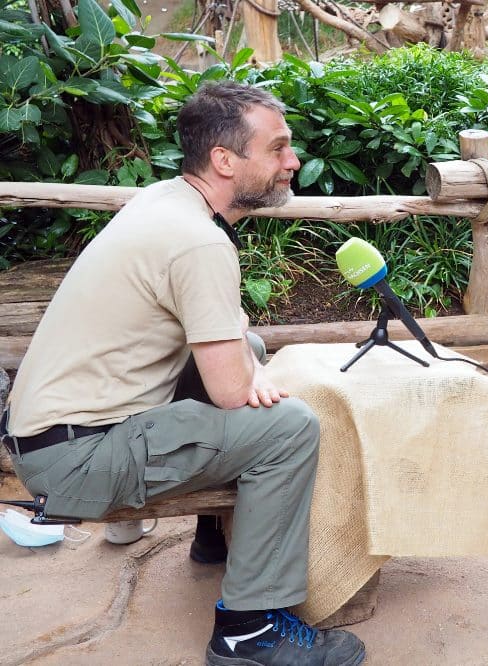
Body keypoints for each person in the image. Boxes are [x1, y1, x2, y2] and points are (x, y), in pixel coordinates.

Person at [0, 81, 366, 665]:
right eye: (277, 148)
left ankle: (215, 535)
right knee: (289, 428)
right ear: (225, 160)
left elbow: (226, 337)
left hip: (49, 436)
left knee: (242, 348)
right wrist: (250, 379)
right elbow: (230, 389)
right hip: (77, 459)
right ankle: (248, 632)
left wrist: (246, 365)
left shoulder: (167, 200)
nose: (292, 162)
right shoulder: (197, 241)